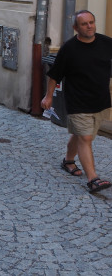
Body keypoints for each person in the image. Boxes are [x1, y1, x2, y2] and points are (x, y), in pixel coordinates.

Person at [42, 10, 112, 193]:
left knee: (81, 134)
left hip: (100, 100)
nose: (89, 26)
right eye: (84, 24)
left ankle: (68, 161)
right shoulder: (69, 49)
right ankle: (93, 180)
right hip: (77, 100)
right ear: (75, 27)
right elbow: (54, 75)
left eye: (92, 22)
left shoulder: (106, 43)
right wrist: (48, 96)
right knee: (86, 137)